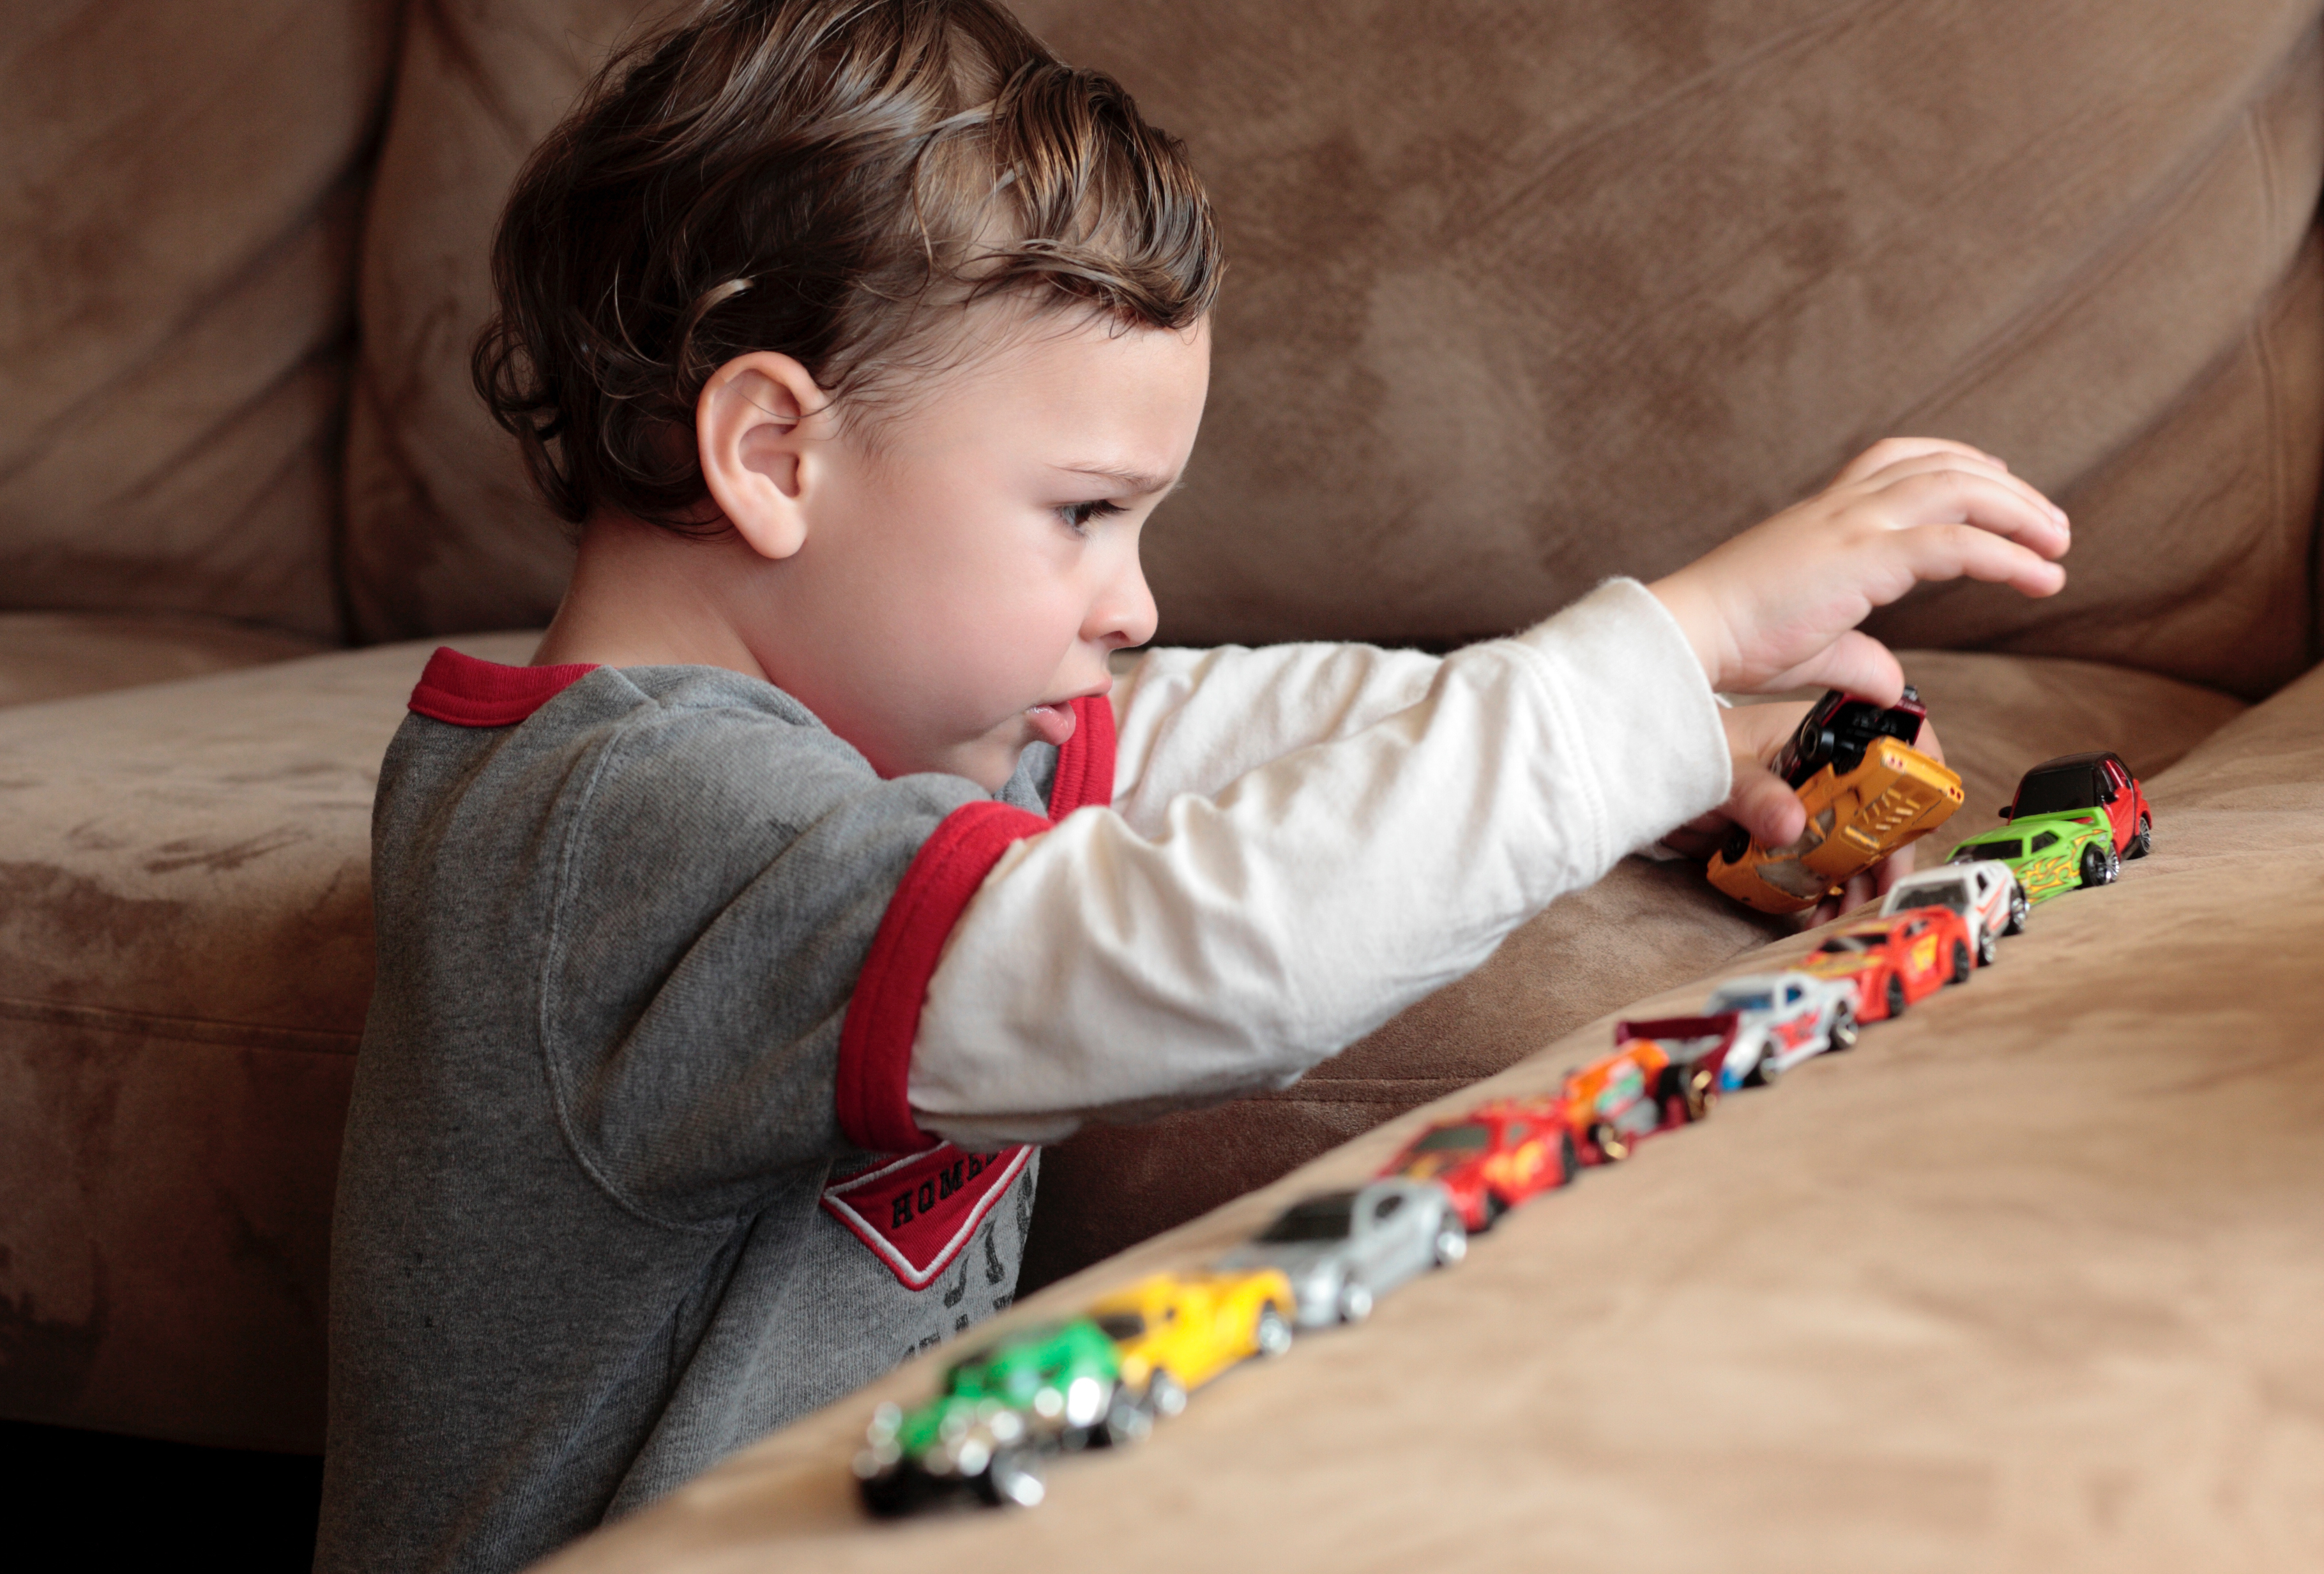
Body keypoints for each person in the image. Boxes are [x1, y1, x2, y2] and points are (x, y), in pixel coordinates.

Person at [314, 1, 2070, 1568]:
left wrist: (1677, 735)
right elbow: (1208, 957)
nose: (1133, 598)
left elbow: (1192, 725)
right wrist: (1670, 637)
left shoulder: (868, 743)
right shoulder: (629, 828)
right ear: (776, 452)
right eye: (1083, 512)